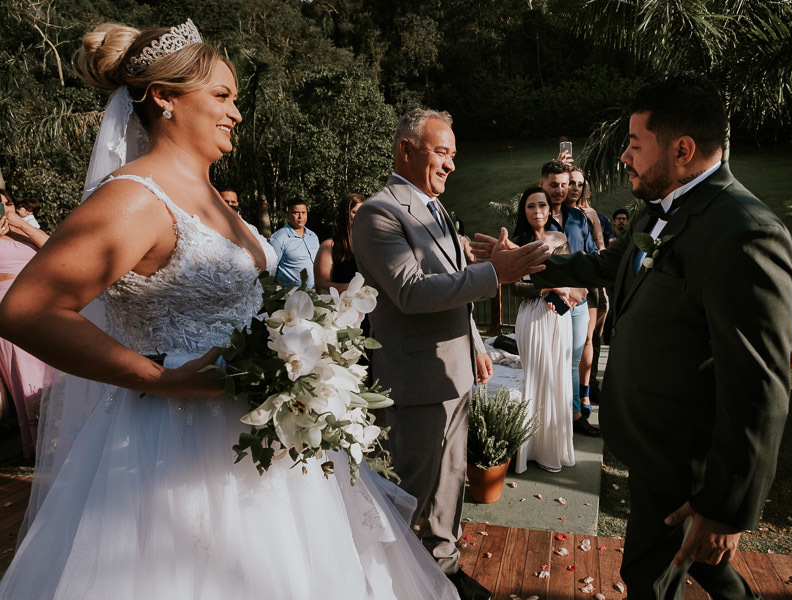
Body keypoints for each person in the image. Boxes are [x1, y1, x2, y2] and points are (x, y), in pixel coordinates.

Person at [0, 20, 463, 600]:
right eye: (221, 96)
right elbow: (27, 309)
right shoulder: (133, 198)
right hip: (175, 449)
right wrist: (159, 378)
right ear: (165, 99)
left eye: (235, 99)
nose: (236, 113)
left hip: (265, 439)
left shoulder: (212, 195)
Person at [473, 73, 792, 600]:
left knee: (650, 577)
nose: (624, 156)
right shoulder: (659, 208)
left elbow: (759, 386)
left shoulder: (744, 233)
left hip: (685, 455)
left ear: (683, 149)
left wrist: (726, 506)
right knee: (689, 568)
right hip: (653, 444)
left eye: (635, 144)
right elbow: (606, 261)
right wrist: (523, 265)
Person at [352, 108, 549, 600]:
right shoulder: (380, 213)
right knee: (412, 489)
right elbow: (412, 292)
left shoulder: (438, 207)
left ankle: (444, 568)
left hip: (456, 369)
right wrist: (496, 274)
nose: (451, 166)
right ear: (405, 150)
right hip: (416, 379)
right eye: (442, 153)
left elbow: (450, 288)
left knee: (453, 480)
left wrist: (476, 342)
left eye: (454, 155)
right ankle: (391, 579)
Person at [510, 187, 576, 473]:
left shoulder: (561, 240)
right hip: (532, 316)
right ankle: (530, 451)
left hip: (559, 317)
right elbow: (514, 287)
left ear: (550, 209)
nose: (537, 211)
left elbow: (573, 275)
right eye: (530, 206)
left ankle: (554, 450)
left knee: (558, 379)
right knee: (535, 378)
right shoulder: (517, 243)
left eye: (542, 206)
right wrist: (546, 288)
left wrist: (567, 292)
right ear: (524, 212)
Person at [540, 159, 599, 436]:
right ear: (542, 183)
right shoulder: (535, 217)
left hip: (580, 302)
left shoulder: (579, 218)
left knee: (573, 360)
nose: (560, 190)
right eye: (554, 185)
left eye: (564, 185)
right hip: (549, 303)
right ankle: (551, 418)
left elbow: (590, 256)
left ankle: (575, 416)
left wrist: (584, 287)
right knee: (552, 361)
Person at [0, 190, 50, 459]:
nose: (4, 208)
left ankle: (70, 434)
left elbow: (55, 250)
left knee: (55, 372)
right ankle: (42, 446)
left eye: (7, 203)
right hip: (11, 313)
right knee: (29, 377)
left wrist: (20, 224)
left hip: (43, 308)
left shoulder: (22, 231)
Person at [569, 168, 610, 420]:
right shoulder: (558, 213)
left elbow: (600, 245)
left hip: (589, 283)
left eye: (579, 184)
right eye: (570, 182)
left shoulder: (590, 214)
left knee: (587, 340)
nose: (574, 188)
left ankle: (585, 392)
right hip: (564, 285)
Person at [314, 192, 364, 293]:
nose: (359, 216)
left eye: (363, 212)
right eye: (354, 212)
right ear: (345, 214)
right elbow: (321, 286)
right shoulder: (329, 246)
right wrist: (356, 289)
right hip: (342, 305)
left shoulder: (371, 244)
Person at [269, 199, 319, 290]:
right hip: (292, 297)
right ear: (288, 214)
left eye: (303, 212)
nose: (300, 217)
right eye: (296, 213)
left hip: (316, 293)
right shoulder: (277, 239)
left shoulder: (313, 236)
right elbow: (269, 272)